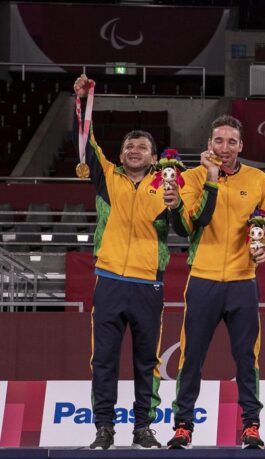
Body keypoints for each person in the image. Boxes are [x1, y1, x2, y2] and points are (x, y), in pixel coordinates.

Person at [165, 115, 265, 449]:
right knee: (192, 356)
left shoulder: (257, 180)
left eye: (231, 142)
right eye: (218, 141)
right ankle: (183, 426)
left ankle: (251, 426)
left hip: (243, 281)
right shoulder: (191, 178)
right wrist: (211, 178)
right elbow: (196, 220)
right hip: (203, 279)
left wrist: (263, 246)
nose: (224, 148)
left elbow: (264, 222)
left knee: (246, 357)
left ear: (241, 146)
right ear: (208, 144)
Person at [73, 74, 165, 450]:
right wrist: (82, 101)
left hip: (148, 282)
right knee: (105, 361)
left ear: (154, 157)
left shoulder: (167, 186)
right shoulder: (108, 178)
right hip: (110, 279)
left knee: (146, 362)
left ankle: (143, 427)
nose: (134, 150)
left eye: (142, 146)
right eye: (129, 145)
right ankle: (103, 429)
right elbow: (86, 141)